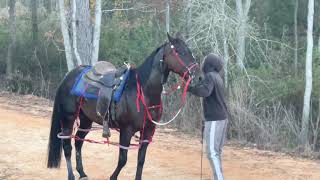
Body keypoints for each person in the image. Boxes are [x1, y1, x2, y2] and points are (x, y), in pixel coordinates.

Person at [188, 53, 228, 180]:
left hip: (215, 119)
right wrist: (199, 83)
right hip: (222, 118)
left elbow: (205, 91)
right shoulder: (217, 77)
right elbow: (206, 88)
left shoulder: (210, 76)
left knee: (212, 152)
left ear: (209, 64)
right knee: (216, 152)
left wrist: (189, 88)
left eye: (205, 61)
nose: (203, 63)